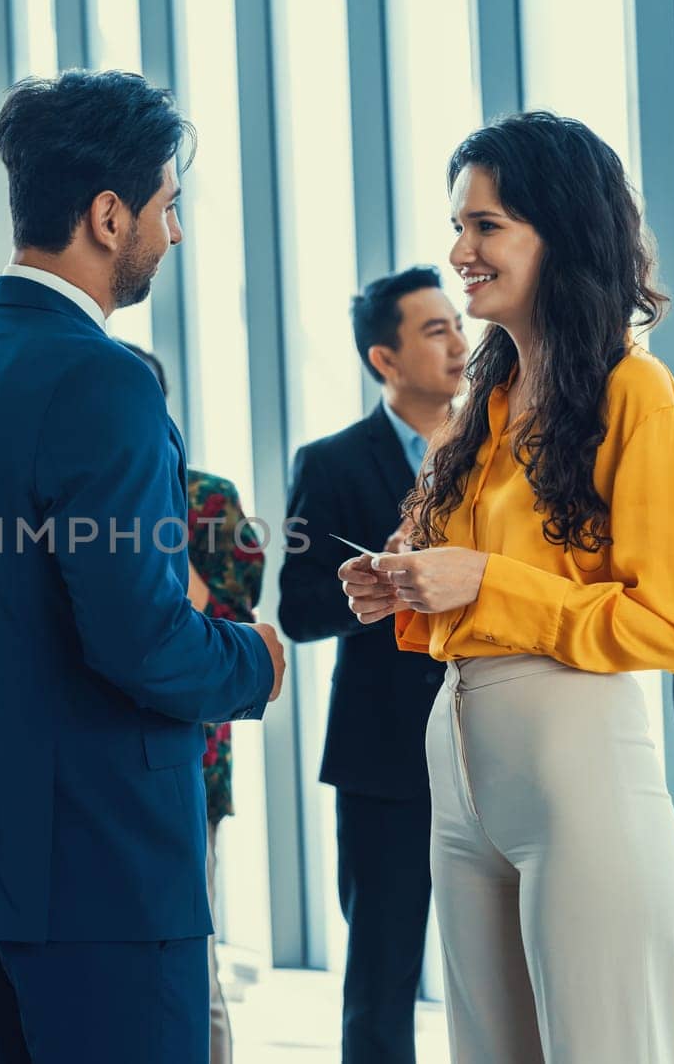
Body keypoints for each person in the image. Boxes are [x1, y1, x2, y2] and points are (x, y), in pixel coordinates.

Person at [0, 70, 286, 1063]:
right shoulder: (100, 378)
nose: (175, 233)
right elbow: (140, 637)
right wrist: (255, 660)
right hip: (99, 873)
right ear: (110, 216)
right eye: (169, 207)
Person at [341, 112, 674, 1063]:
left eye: (487, 225)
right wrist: (405, 584)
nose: (460, 249)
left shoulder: (639, 395)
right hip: (461, 763)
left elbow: (673, 623)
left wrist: (484, 580)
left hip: (576, 763)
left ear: (563, 231)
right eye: (458, 224)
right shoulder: (485, 408)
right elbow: (477, 584)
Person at [279, 265, 465, 1063]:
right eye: (435, 330)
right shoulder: (330, 463)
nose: (460, 342)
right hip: (382, 761)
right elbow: (295, 606)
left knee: (505, 971)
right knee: (382, 981)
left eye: (458, 323)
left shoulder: (503, 448)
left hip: (491, 744)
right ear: (384, 359)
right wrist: (376, 585)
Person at [127, 340, 259, 1064]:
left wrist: (154, 539)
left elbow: (240, 630)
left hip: (192, 760)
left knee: (190, 963)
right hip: (103, 760)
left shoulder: (209, 498)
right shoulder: (81, 491)